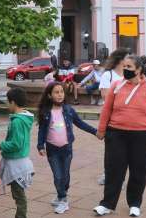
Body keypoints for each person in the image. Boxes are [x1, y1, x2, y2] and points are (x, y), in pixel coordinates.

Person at [93, 55, 146, 217]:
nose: (125, 70)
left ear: (139, 70)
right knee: (113, 170)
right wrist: (102, 130)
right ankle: (107, 204)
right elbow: (107, 110)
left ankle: (135, 203)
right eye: (124, 66)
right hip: (116, 134)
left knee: (138, 170)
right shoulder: (116, 86)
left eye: (129, 67)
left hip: (142, 136)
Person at [37, 82, 97, 214]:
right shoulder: (46, 112)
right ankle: (63, 200)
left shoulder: (69, 110)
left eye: (61, 92)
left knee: (65, 176)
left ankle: (60, 194)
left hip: (66, 149)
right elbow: (42, 130)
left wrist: (95, 131)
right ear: (49, 95)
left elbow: (80, 123)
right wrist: (40, 145)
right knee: (58, 176)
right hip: (52, 150)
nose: (60, 95)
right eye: (56, 92)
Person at [0, 87, 34, 218]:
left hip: (17, 163)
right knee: (18, 193)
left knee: (19, 195)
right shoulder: (23, 118)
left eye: (7, 101)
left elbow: (16, 144)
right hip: (20, 161)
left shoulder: (17, 121)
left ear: (13, 102)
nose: (7, 104)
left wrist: (1, 145)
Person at [95, 48, 128, 185]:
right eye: (127, 57)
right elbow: (106, 96)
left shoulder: (128, 75)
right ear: (120, 60)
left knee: (125, 149)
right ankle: (107, 173)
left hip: (127, 118)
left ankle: (120, 177)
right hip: (112, 118)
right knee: (111, 149)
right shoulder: (108, 75)